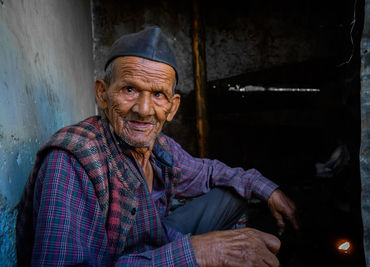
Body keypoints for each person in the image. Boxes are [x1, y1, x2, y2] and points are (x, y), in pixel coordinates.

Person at [16, 26, 299, 266]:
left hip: (150, 250)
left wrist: (266, 188)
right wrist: (198, 252)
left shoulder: (160, 148)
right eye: (129, 89)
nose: (144, 109)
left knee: (233, 194)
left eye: (159, 95)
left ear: (173, 107)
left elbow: (210, 172)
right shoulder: (74, 161)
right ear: (103, 95)